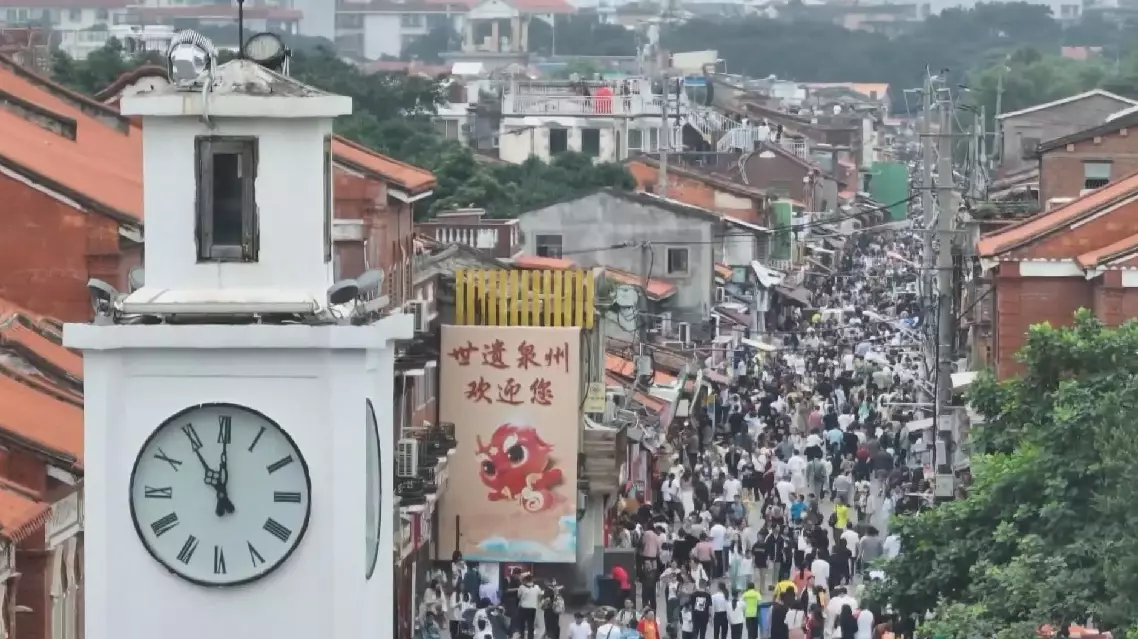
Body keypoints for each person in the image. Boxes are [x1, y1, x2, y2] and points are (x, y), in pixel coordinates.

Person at [516, 574, 542, 639]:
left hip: (523, 608)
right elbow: (540, 594)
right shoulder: (537, 587)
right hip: (532, 609)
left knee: (522, 624)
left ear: (525, 580)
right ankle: (530, 637)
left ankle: (522, 636)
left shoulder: (521, 587)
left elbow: (518, 596)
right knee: (531, 625)